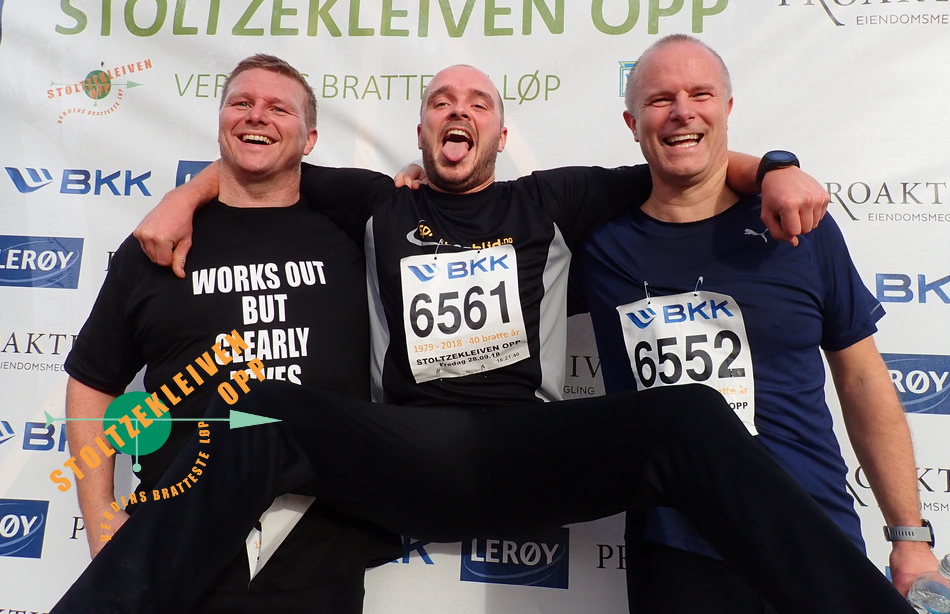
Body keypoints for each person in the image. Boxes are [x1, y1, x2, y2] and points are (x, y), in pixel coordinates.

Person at [53, 62, 916, 614]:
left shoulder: (552, 200)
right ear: (423, 134)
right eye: (440, 102)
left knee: (686, 415)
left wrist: (777, 168)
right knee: (257, 406)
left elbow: (686, 157)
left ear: (501, 134)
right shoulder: (377, 202)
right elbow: (262, 155)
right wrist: (184, 195)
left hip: (523, 451)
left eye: (477, 103)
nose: (457, 111)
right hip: (406, 454)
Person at [572, 34, 937, 613]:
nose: (683, 112)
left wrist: (910, 539)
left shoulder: (798, 228)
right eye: (661, 99)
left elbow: (864, 379)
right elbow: (491, 224)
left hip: (811, 527)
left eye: (700, 95)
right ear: (632, 123)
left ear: (728, 108)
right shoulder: (598, 248)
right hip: (678, 552)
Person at [60, 54, 399, 614]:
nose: (256, 115)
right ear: (221, 121)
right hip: (175, 547)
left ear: (311, 140)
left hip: (321, 554)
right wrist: (99, 517)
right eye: (242, 102)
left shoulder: (356, 235)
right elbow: (91, 381)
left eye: (279, 108)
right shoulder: (157, 244)